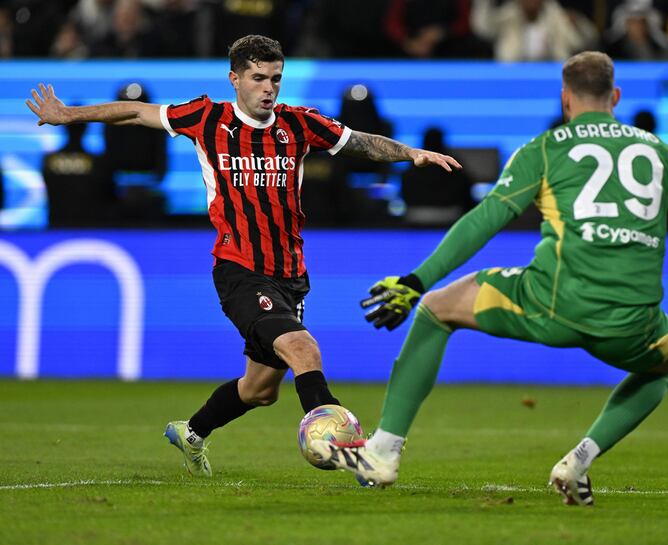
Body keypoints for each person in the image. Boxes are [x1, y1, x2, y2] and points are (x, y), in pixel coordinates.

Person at [310, 51, 668, 506]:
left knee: (436, 309)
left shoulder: (546, 150)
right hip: (632, 324)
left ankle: (383, 453)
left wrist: (417, 280)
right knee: (664, 364)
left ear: (565, 98)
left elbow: (485, 220)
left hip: (552, 304)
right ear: (616, 95)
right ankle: (580, 459)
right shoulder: (662, 154)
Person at [26, 34, 461, 477]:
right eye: (258, 78)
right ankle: (349, 453)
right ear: (235, 79)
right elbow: (137, 112)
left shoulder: (299, 123)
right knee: (302, 347)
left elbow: (358, 142)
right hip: (239, 269)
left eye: (275, 78)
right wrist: (68, 115)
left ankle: (191, 432)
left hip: (289, 275)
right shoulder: (205, 117)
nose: (268, 88)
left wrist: (410, 153)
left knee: (259, 390)